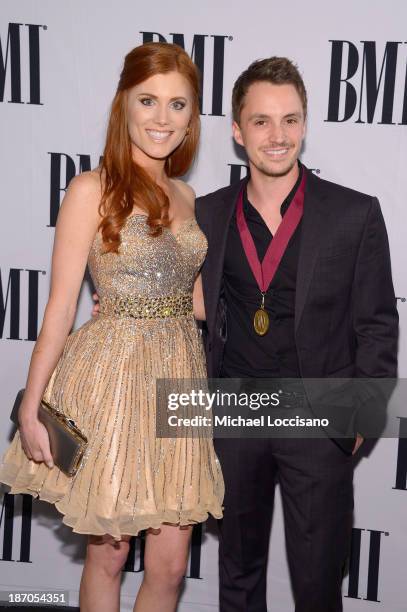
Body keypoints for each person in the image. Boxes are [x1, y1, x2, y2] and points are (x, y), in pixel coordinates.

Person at [0, 42, 224, 612]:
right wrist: (30, 405)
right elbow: (57, 309)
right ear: (124, 103)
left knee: (171, 566)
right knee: (110, 552)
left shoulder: (187, 195)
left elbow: (199, 300)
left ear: (192, 117)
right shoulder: (90, 189)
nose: (162, 118)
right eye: (148, 101)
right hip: (116, 378)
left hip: (180, 380)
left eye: (178, 105)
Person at [195, 57, 398, 611]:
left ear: (305, 125)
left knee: (317, 584)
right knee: (237, 579)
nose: (277, 135)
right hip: (236, 416)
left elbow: (378, 323)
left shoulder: (353, 214)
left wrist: (362, 417)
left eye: (290, 119)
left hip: (318, 418)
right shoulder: (207, 216)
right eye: (261, 121)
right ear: (237, 132)